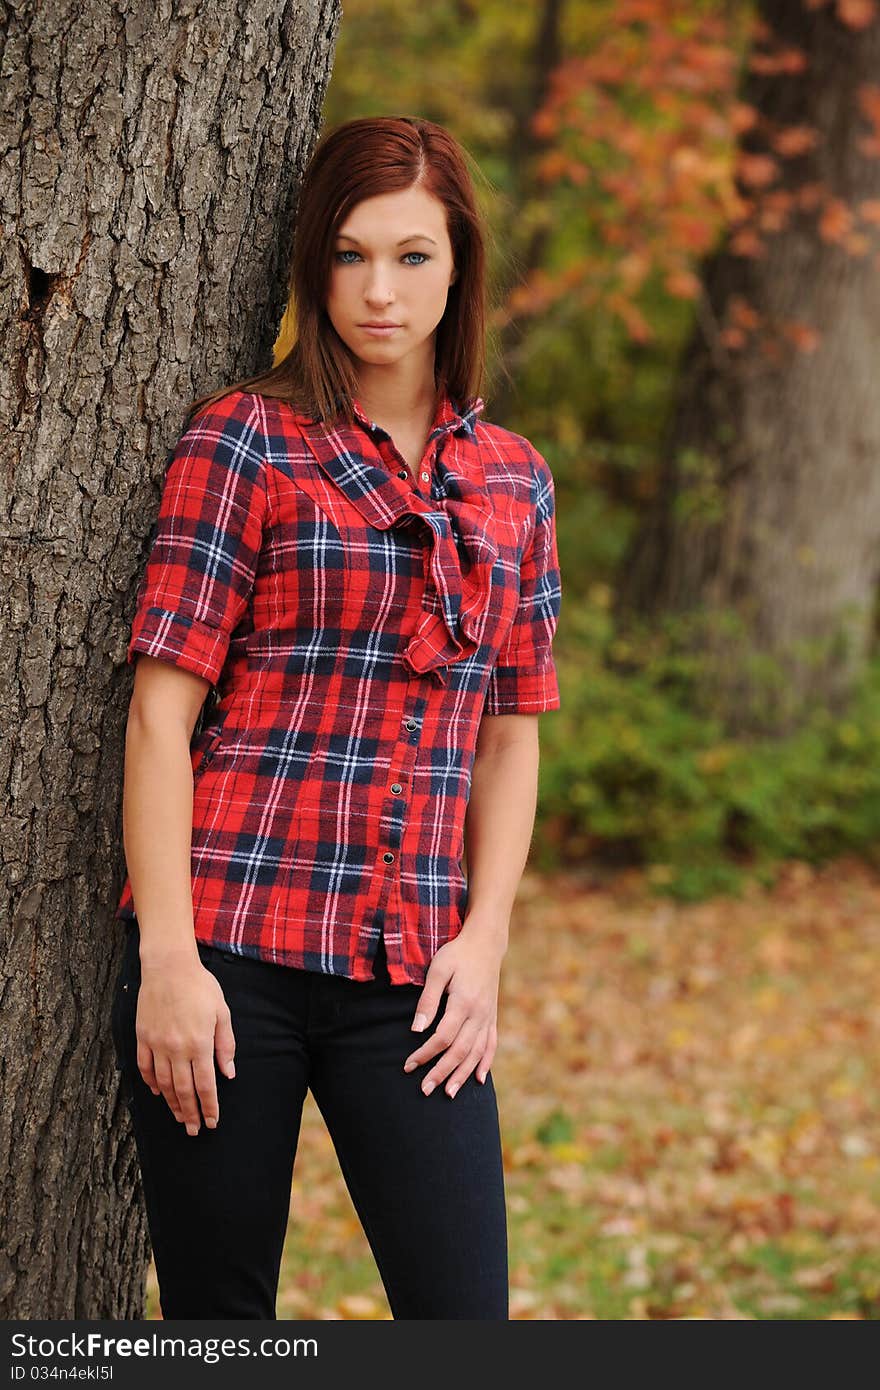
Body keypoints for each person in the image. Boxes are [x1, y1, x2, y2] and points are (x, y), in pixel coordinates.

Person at [110, 114, 562, 1321]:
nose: (379, 290)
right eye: (351, 255)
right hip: (227, 962)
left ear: (458, 265)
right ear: (314, 265)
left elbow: (513, 728)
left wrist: (487, 942)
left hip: (413, 974)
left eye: (413, 256)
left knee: (462, 1317)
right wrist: (169, 959)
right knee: (219, 1325)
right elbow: (162, 715)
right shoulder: (243, 440)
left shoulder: (515, 479)